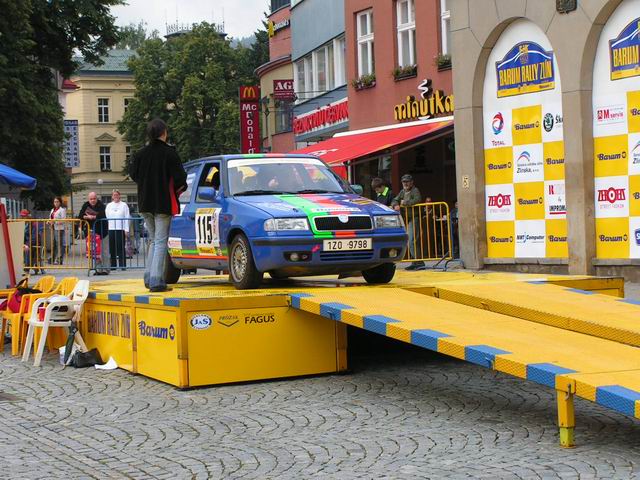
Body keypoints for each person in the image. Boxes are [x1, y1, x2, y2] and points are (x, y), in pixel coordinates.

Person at [131, 118, 187, 292]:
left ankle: (148, 277)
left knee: (154, 240)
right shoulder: (169, 153)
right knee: (161, 241)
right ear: (164, 133)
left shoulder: (140, 154)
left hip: (144, 202)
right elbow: (180, 178)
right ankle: (156, 280)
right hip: (162, 203)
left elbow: (134, 175)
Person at [392, 174, 424, 270]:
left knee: (412, 240)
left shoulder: (415, 190)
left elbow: (417, 200)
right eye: (404, 182)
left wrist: (405, 203)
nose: (405, 184)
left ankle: (418, 262)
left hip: (414, 217)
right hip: (407, 218)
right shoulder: (402, 192)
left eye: (407, 182)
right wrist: (395, 205)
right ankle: (416, 262)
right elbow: (395, 199)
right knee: (410, 241)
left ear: (411, 182)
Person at [78, 192, 109, 275]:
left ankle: (106, 269)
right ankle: (98, 270)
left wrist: (94, 217)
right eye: (91, 199)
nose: (93, 200)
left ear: (96, 198)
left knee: (104, 251)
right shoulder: (86, 205)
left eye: (94, 199)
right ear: (88, 199)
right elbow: (80, 215)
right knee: (95, 252)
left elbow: (102, 215)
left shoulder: (101, 205)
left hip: (103, 231)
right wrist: (87, 217)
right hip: (92, 233)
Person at [105, 190, 130, 270]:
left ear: (119, 196)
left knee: (121, 247)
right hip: (111, 228)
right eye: (114, 195)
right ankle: (113, 265)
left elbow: (127, 217)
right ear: (112, 196)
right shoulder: (109, 205)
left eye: (117, 195)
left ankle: (122, 265)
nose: (115, 196)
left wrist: (126, 229)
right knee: (112, 248)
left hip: (121, 229)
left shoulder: (124, 205)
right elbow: (107, 217)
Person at [21, 209, 45, 275]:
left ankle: (26, 269)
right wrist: (21, 243)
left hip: (34, 241)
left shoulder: (33, 223)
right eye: (22, 216)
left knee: (27, 249)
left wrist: (27, 244)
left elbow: (34, 237)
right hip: (27, 241)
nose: (23, 218)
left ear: (28, 216)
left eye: (24, 216)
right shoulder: (23, 223)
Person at [48, 196, 66, 265]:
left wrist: (54, 222)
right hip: (53, 228)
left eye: (57, 202)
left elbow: (63, 220)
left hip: (59, 229)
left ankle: (59, 259)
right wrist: (48, 221)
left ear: (60, 202)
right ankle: (52, 258)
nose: (56, 203)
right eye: (55, 202)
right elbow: (50, 218)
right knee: (53, 244)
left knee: (59, 244)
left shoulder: (62, 210)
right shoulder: (52, 210)